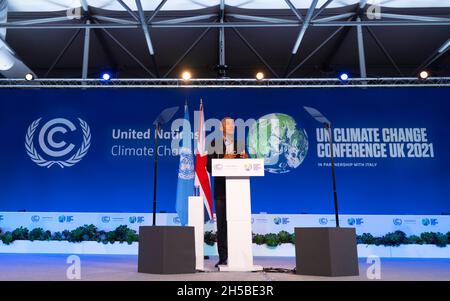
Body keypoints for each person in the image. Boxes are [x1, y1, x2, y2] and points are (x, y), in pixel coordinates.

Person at [207, 117, 247, 268]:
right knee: (222, 225)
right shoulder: (214, 143)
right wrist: (224, 159)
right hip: (221, 192)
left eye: (233, 124)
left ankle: (239, 255)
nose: (232, 126)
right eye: (229, 124)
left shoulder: (240, 144)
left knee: (237, 223)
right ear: (222, 127)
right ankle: (223, 258)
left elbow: (245, 164)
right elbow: (209, 167)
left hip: (238, 191)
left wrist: (243, 159)